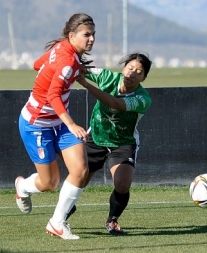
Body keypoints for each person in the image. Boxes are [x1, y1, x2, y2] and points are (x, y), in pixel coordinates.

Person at [14, 13, 95, 240]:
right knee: (49, 183)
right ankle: (22, 187)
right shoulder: (68, 60)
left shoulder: (64, 51)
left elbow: (36, 65)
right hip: (37, 124)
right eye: (86, 35)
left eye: (93, 34)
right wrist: (72, 124)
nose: (91, 39)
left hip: (58, 123)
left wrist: (62, 71)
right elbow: (52, 95)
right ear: (72, 35)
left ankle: (57, 223)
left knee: (80, 170)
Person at [70, 52, 153, 235]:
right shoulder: (106, 76)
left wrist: (85, 84)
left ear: (144, 77)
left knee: (122, 184)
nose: (132, 74)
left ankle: (112, 219)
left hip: (123, 143)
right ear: (123, 68)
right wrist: (76, 65)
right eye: (130, 68)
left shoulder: (143, 99)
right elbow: (81, 69)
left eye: (138, 72)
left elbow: (115, 103)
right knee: (79, 179)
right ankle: (65, 210)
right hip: (96, 138)